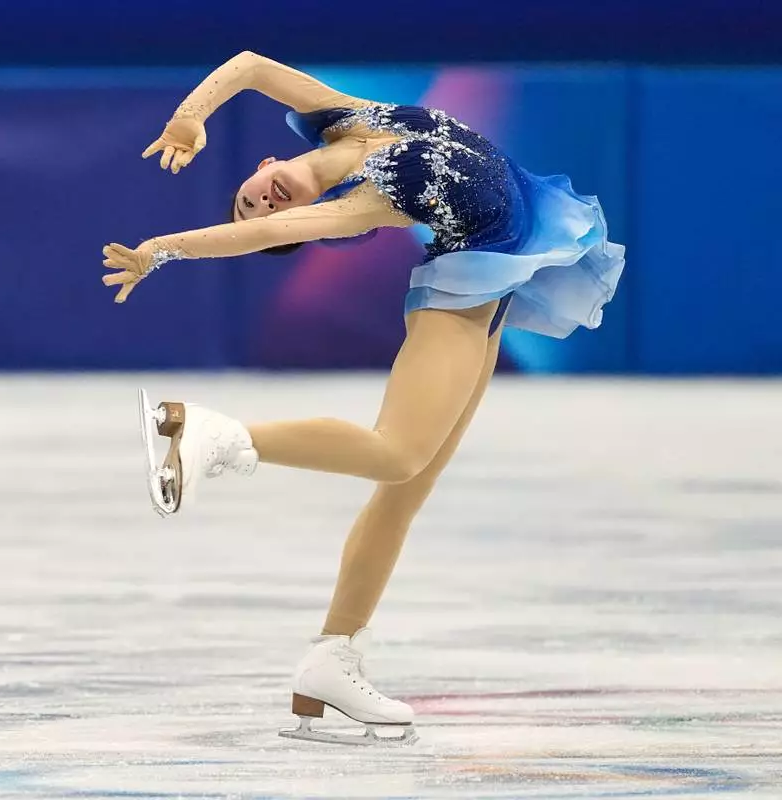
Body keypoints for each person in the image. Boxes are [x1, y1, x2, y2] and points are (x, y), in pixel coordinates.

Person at [102, 51, 624, 745]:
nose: (261, 203)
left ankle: (331, 662)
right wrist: (161, 250)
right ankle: (209, 436)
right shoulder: (355, 208)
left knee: (407, 488)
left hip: (495, 286)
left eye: (250, 193)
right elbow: (267, 233)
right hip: (460, 295)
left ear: (262, 165)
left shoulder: (343, 116)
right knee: (396, 454)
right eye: (255, 211)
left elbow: (252, 65)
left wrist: (188, 117)